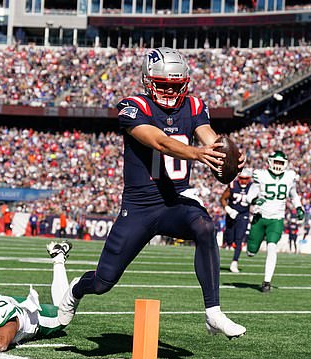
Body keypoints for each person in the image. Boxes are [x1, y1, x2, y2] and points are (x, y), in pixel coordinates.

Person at [57, 47, 246, 339]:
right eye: (163, 86)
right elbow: (159, 141)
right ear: (148, 81)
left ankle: (213, 312)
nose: (170, 93)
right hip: (139, 207)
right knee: (104, 281)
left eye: (175, 86)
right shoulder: (133, 106)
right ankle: (75, 290)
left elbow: (209, 135)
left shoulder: (194, 106)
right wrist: (197, 153)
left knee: (205, 227)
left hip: (175, 202)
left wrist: (223, 154)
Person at [245, 150, 304, 293]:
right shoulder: (261, 175)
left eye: (280, 162)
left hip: (276, 218)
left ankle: (267, 282)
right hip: (260, 217)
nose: (277, 165)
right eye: (275, 162)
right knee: (251, 251)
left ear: (285, 164)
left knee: (272, 247)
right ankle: (252, 249)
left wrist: (299, 207)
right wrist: (254, 200)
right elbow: (249, 196)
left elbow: (294, 194)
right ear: (270, 162)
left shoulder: (289, 177)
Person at [220, 168, 252, 272]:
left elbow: (257, 200)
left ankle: (235, 262)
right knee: (229, 238)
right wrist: (228, 209)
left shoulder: (253, 188)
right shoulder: (233, 185)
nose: (243, 181)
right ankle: (231, 244)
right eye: (241, 178)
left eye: (246, 179)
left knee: (239, 239)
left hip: (243, 215)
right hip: (231, 215)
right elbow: (222, 199)